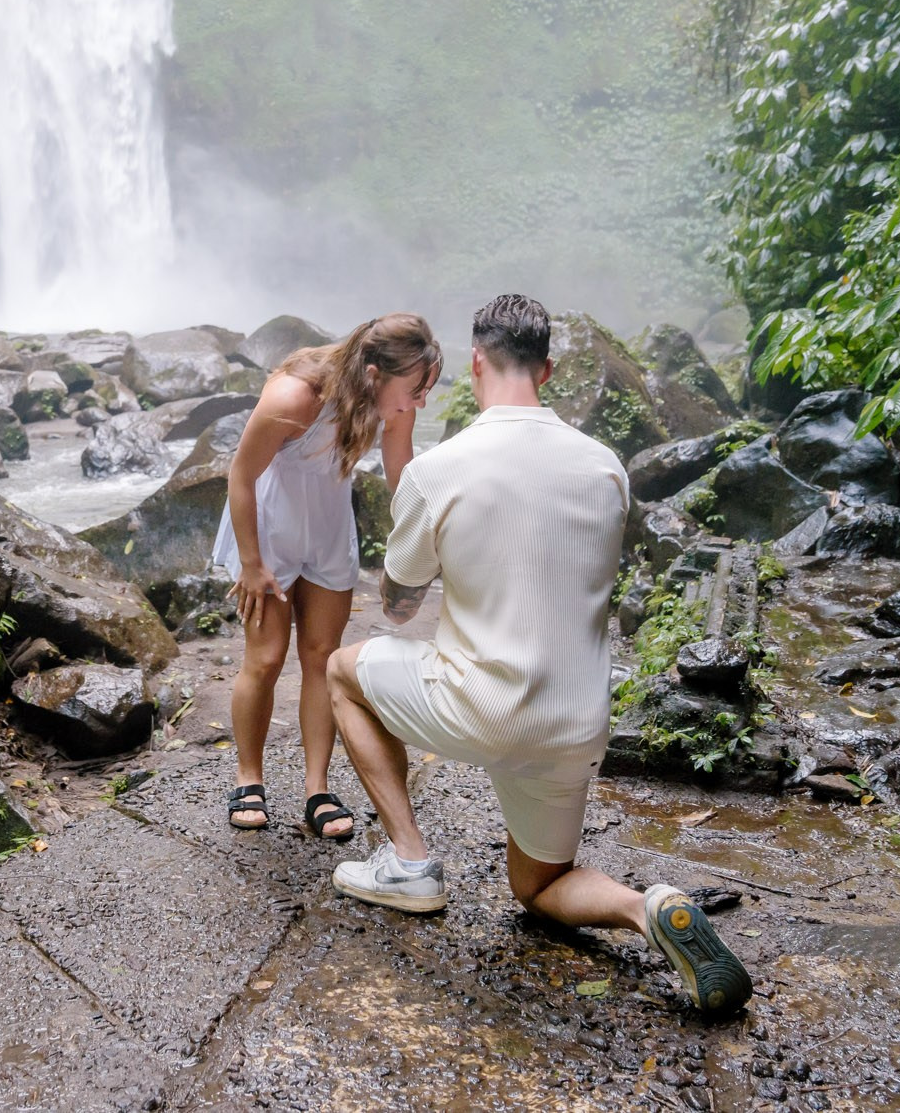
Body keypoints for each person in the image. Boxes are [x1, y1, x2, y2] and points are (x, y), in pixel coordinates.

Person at [321, 294, 751, 1015]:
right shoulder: (606, 467)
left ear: (476, 363)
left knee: (342, 671)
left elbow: (399, 605)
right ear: (547, 370)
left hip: (481, 705)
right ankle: (651, 908)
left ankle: (410, 862)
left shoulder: (443, 467)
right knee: (540, 885)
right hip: (574, 719)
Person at [213, 313, 442, 840]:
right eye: (414, 389)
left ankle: (316, 787)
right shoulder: (297, 396)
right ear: (372, 374)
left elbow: (400, 475)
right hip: (269, 525)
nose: (419, 402)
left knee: (322, 656)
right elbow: (241, 474)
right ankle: (249, 777)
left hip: (329, 525)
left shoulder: (394, 403)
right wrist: (251, 564)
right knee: (266, 657)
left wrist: (424, 538)